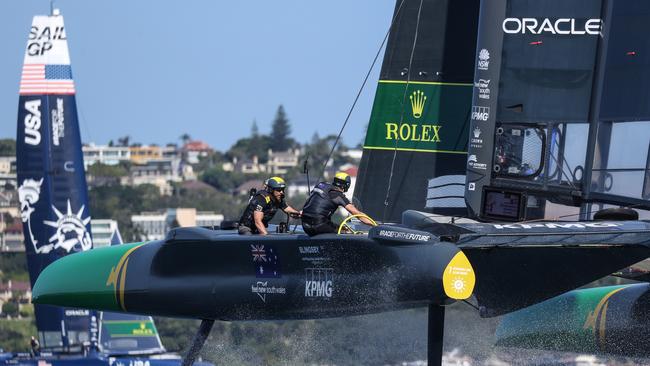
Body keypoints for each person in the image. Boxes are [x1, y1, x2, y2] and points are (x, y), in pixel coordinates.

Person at [301, 172, 373, 236]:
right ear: (346, 185)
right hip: (318, 226)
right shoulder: (338, 195)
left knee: (340, 227)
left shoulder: (321, 185)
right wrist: (374, 226)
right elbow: (356, 213)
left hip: (305, 225)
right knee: (345, 231)